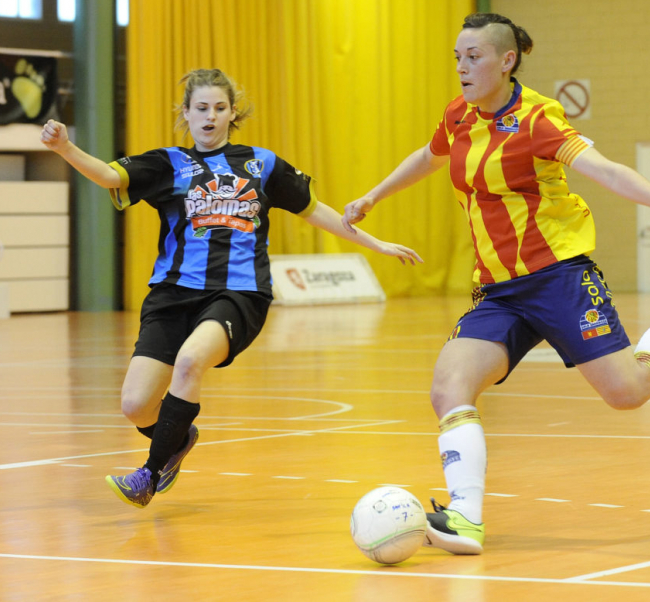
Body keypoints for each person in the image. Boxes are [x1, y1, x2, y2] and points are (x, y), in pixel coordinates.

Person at [342, 13, 650, 556]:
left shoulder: (539, 118)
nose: (463, 68)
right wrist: (375, 196)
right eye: (458, 58)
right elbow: (430, 155)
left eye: (474, 57)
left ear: (506, 60)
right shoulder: (458, 115)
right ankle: (465, 518)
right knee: (449, 385)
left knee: (626, 394)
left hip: (559, 276)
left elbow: (602, 167)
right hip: (498, 289)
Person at [40, 68, 422, 509]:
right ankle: (179, 437)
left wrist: (376, 244)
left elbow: (317, 212)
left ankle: (148, 472)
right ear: (185, 113)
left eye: (220, 108)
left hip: (239, 294)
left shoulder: (262, 163)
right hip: (171, 294)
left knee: (190, 361)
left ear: (232, 113)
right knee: (136, 405)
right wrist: (64, 147)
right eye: (201, 108)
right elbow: (110, 177)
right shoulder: (169, 163)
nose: (210, 117)